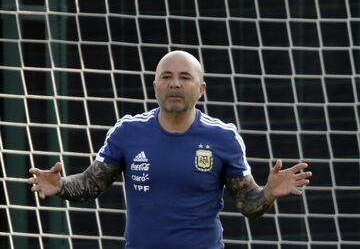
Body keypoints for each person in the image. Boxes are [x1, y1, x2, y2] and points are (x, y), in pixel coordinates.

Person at [28, 50, 312, 249]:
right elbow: (92, 184)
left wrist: (268, 193)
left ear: (201, 88)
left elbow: (248, 204)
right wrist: (61, 185)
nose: (174, 83)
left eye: (185, 77)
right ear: (155, 86)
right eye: (166, 76)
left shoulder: (223, 138)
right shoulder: (128, 132)